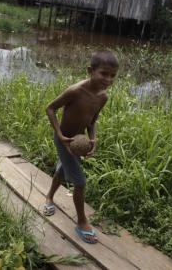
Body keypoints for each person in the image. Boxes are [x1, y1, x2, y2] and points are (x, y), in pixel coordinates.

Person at [43, 50, 119, 244]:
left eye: (112, 76)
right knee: (80, 182)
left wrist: (93, 139)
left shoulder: (102, 97)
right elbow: (50, 108)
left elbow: (92, 121)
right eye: (103, 73)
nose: (108, 79)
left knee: (62, 170)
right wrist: (60, 135)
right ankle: (82, 222)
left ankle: (49, 197)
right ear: (90, 71)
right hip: (64, 140)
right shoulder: (75, 91)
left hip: (78, 143)